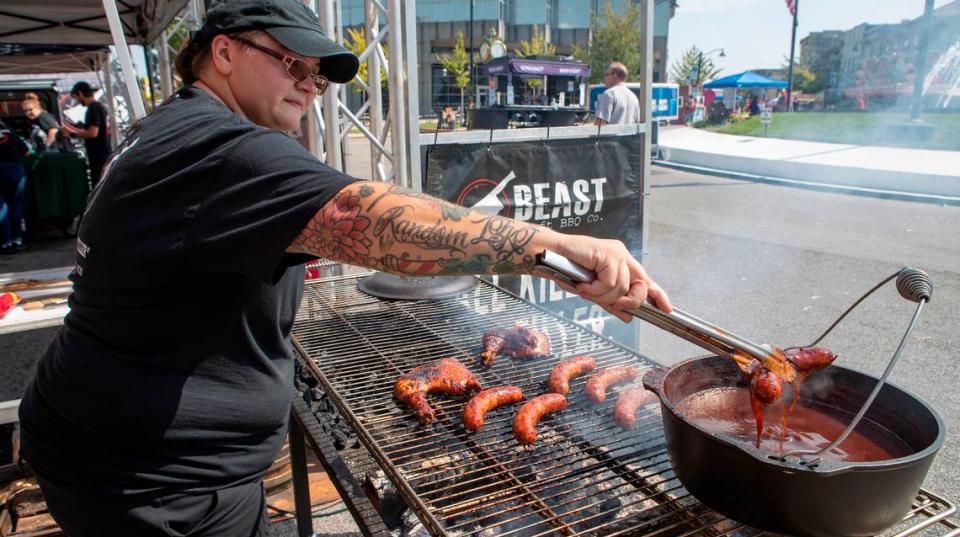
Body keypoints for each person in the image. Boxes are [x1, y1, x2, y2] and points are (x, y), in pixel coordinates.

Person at [17, 1, 672, 535]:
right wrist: (551, 248)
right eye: (290, 62)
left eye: (318, 75)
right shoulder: (222, 147)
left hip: (114, 443)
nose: (309, 83)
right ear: (222, 52)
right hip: (156, 481)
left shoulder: (173, 129)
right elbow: (375, 219)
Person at [65, 81, 112, 187]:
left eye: (76, 97)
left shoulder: (94, 108)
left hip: (99, 156)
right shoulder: (97, 107)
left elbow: (93, 133)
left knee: (99, 186)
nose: (77, 101)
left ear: (80, 94)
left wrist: (72, 134)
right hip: (100, 154)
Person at [0, 120, 28, 254]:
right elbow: (25, 150)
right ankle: (18, 240)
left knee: (2, 208)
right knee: (16, 206)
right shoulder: (8, 130)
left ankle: (6, 243)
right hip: (15, 171)